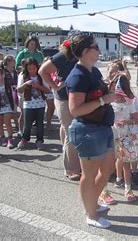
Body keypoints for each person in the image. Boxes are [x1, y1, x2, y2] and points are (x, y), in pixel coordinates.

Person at [65, 34, 117, 228]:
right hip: (87, 130)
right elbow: (75, 110)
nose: (99, 49)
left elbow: (97, 95)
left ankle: (92, 203)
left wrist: (110, 92)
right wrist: (104, 100)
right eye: (96, 46)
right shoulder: (77, 76)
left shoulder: (93, 71)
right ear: (86, 51)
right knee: (89, 173)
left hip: (102, 127)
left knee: (107, 169)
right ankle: (91, 214)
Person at [39, 33, 81, 181]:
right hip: (63, 98)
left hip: (76, 97)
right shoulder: (63, 56)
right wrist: (54, 87)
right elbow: (42, 71)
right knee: (71, 132)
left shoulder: (81, 56)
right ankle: (72, 168)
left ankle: (72, 161)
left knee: (66, 129)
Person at [109, 70, 138, 202]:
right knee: (109, 162)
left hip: (126, 135)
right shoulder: (108, 100)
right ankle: (105, 189)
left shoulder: (131, 101)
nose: (119, 98)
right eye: (117, 94)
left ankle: (128, 189)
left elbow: (137, 120)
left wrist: (127, 121)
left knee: (125, 162)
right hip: (111, 133)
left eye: (121, 94)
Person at [16, 58, 49, 150]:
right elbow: (19, 89)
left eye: (34, 68)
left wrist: (38, 86)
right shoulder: (22, 75)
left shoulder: (41, 75)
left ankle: (39, 140)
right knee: (27, 123)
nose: (32, 71)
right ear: (26, 68)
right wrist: (26, 84)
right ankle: (25, 139)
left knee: (40, 124)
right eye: (29, 69)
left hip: (40, 104)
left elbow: (47, 90)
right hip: (28, 103)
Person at [0, 55, 20, 135]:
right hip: (6, 93)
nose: (14, 63)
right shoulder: (3, 71)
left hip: (14, 92)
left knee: (14, 110)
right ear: (8, 62)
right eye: (13, 61)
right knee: (8, 111)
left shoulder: (14, 72)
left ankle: (17, 125)